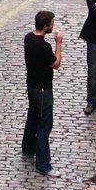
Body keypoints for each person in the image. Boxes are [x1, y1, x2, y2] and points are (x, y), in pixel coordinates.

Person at [22, 10, 62, 176]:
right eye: (52, 23)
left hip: (31, 85)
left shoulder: (28, 38)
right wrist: (58, 44)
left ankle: (28, 148)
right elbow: (56, 63)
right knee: (45, 125)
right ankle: (43, 164)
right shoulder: (43, 46)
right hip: (43, 90)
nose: (53, 26)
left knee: (32, 117)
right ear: (46, 26)